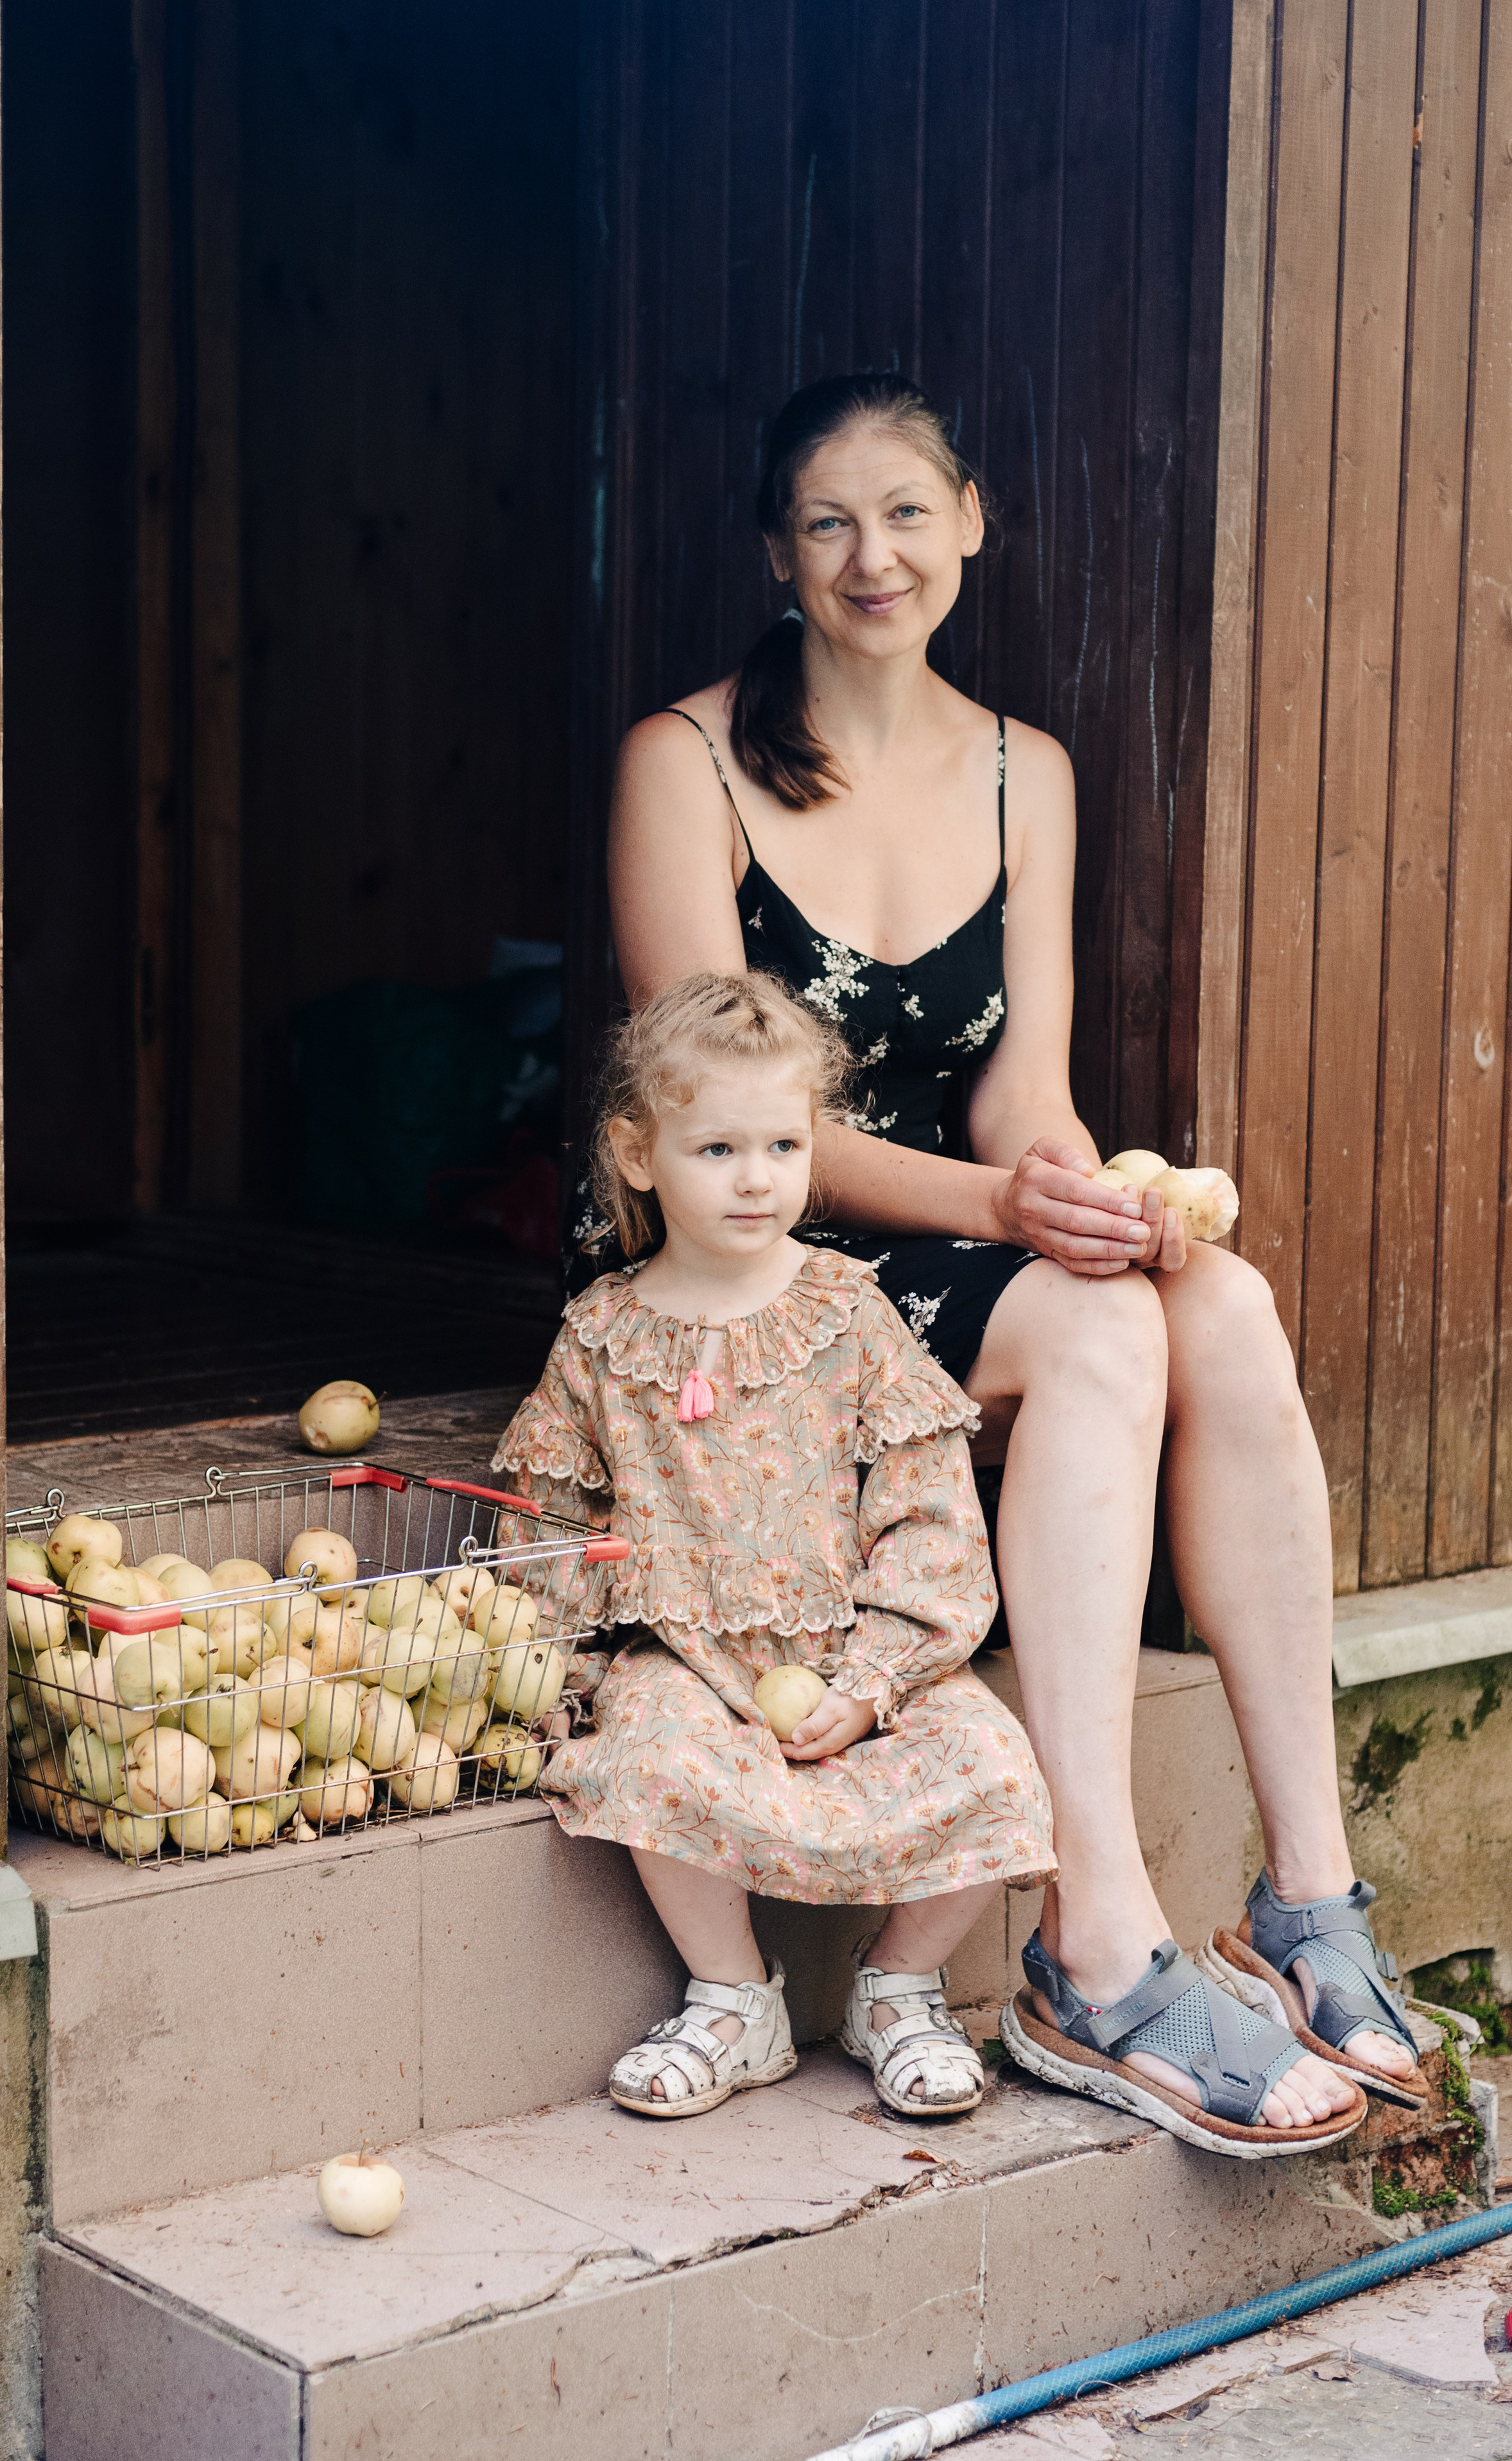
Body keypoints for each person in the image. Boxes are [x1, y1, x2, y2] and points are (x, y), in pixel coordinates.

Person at [572, 371, 1421, 2141]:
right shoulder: (690, 760)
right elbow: (717, 1110)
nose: (872, 554)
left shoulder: (1031, 771)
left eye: (906, 510)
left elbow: (1018, 1090)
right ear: (776, 557)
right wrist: (1018, 1222)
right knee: (1105, 1348)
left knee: (1228, 1304)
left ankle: (1308, 1897)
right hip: (753, 1276)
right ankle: (1092, 1945)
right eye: (827, 521)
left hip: (955, 1238)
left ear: (973, 522)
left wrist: (1096, 1194)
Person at [500, 974, 1363, 2155]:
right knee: (646, 1756)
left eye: (784, 1145)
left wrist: (873, 1677)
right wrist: (571, 1652)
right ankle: (733, 1995)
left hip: (850, 1647)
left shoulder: (853, 1317)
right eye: (716, 1148)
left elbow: (928, 1513)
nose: (757, 1178)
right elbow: (555, 1505)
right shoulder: (601, 1335)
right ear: (637, 1154)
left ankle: (896, 1988)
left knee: (1002, 1771)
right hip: (687, 1655)